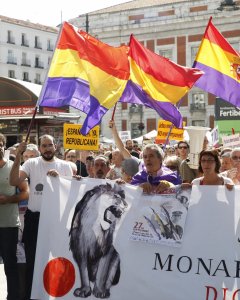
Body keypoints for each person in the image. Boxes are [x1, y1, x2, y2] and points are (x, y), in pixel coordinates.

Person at [9, 134, 73, 300]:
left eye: (49, 145)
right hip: (34, 220)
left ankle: (57, 295)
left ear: (55, 147)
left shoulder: (66, 166)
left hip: (57, 221)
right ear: (39, 148)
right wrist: (18, 156)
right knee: (32, 262)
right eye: (43, 146)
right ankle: (33, 295)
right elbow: (14, 180)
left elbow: (73, 192)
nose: (47, 149)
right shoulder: (31, 163)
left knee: (58, 261)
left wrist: (75, 179)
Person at [0, 133, 29, 300]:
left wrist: (9, 199)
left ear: (4, 146)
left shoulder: (13, 168)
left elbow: (26, 192)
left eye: (0, 144)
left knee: (10, 266)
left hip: (9, 225)